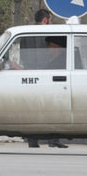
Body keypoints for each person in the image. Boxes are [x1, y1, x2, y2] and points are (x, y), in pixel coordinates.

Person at [22, 9, 68, 149]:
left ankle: (32, 139)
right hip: (48, 75)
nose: (51, 22)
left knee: (33, 108)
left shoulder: (25, 33)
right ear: (45, 20)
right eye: (51, 20)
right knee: (53, 107)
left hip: (30, 75)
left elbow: (23, 55)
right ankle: (53, 139)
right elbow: (53, 55)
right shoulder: (49, 34)